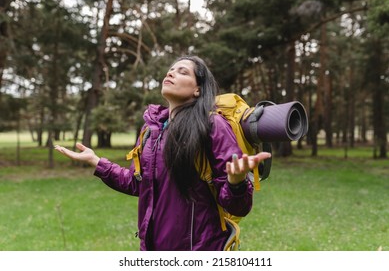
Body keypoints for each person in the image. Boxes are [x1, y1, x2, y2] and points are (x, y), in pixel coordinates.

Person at [54, 55, 271, 251]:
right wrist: (96, 161)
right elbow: (139, 184)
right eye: (171, 69)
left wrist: (236, 182)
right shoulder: (152, 130)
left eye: (182, 71)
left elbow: (238, 207)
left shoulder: (212, 125)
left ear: (198, 90)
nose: (171, 73)